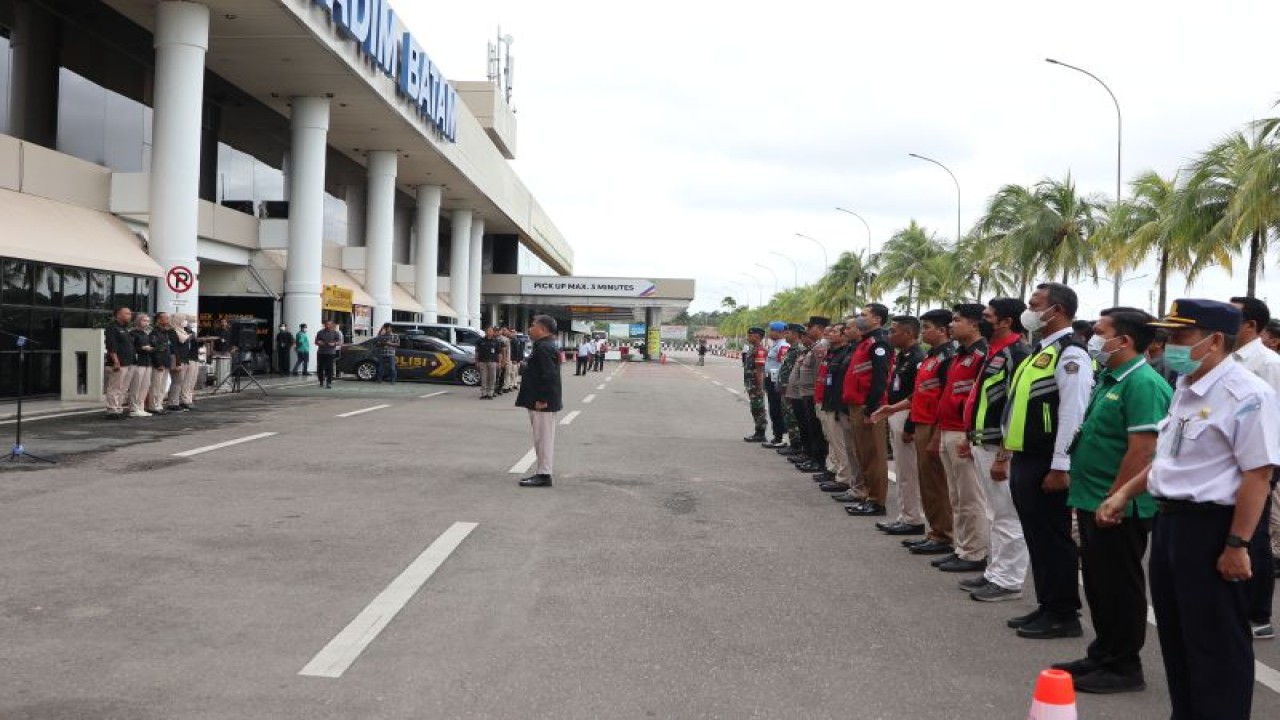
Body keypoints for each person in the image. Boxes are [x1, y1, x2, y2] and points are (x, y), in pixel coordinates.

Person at [1099, 299, 1279, 720]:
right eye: (1170, 335)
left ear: (1214, 340)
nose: (1170, 344)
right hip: (1171, 524)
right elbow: (1170, 458)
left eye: (1181, 335)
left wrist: (1237, 544)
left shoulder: (1248, 394)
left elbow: (1257, 475)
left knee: (1216, 644)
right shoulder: (1187, 385)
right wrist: (1124, 493)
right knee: (1178, 637)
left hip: (1213, 528)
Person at [1052, 307, 1171, 694]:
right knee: (1100, 584)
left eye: (1100, 332)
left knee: (1119, 586)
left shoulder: (1144, 384)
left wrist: (1115, 497)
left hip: (1117, 504)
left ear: (1124, 341)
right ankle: (1103, 654)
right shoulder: (1111, 378)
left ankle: (1123, 666)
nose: (1091, 339)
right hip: (1093, 498)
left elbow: (1143, 450)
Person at [1003, 282, 1093, 639]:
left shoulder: (1071, 353)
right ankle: (1047, 603)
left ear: (1057, 310)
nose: (1029, 310)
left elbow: (1073, 412)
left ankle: (1064, 614)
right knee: (1036, 536)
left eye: (1035, 304)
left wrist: (1060, 465)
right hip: (1027, 455)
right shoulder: (1041, 350)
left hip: (1046, 460)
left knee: (1053, 538)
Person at [961, 298, 1031, 602]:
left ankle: (1009, 580)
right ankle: (996, 572)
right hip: (983, 441)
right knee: (996, 513)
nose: (982, 322)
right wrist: (970, 436)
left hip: (1000, 446)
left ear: (1005, 322)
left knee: (1008, 515)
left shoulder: (1017, 353)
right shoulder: (996, 351)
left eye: (988, 317)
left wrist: (1004, 454)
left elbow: (1016, 408)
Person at [1229, 296, 1280, 640]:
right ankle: (1235, 604)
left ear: (1251, 325)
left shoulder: (1269, 363)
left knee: (1254, 533)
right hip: (1230, 460)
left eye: (1231, 315)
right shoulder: (1227, 358)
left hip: (1259, 460)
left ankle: (1258, 614)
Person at [929, 304, 989, 571]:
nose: (951, 325)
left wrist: (969, 433)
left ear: (974, 324)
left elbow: (980, 399)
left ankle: (975, 552)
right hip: (948, 429)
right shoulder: (958, 355)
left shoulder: (982, 354)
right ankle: (961, 547)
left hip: (963, 432)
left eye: (957, 320)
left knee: (970, 497)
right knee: (956, 496)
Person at [903, 309, 957, 557]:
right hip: (922, 420)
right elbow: (921, 392)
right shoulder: (931, 356)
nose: (923, 332)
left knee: (936, 481)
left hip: (934, 423)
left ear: (942, 331)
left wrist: (937, 433)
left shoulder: (948, 357)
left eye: (927, 327)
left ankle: (943, 533)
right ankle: (935, 530)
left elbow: (945, 396)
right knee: (928, 481)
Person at [870, 315, 925, 533]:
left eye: (893, 331)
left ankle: (913, 518)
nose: (889, 335)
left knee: (908, 472)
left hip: (906, 415)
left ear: (908, 333)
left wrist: (910, 425)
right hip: (896, 412)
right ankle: (905, 515)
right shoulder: (904, 356)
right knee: (902, 471)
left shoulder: (917, 358)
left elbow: (918, 395)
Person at [843, 304, 894, 517]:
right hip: (857, 405)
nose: (859, 318)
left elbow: (880, 379)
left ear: (877, 320)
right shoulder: (864, 342)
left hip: (869, 406)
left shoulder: (879, 343)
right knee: (864, 454)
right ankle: (867, 495)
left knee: (874, 456)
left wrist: (871, 408)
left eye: (864, 315)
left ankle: (876, 500)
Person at [515, 315, 563, 488]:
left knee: (543, 439)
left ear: (542, 329)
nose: (530, 329)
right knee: (541, 438)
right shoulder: (544, 345)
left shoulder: (544, 347)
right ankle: (543, 472)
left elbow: (549, 376)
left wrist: (542, 399)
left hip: (542, 402)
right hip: (540, 400)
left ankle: (544, 474)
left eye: (533, 325)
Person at [816, 322, 855, 493]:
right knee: (833, 440)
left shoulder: (846, 354)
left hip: (837, 404)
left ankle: (844, 478)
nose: (830, 334)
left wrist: (840, 406)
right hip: (828, 401)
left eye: (835, 332)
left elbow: (842, 384)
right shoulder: (834, 353)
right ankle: (836, 471)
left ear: (844, 336)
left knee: (841, 444)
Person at [791, 317, 830, 473]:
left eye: (810, 327)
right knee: (811, 428)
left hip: (813, 393)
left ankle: (818, 460)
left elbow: (820, 374)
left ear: (819, 328)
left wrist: (817, 395)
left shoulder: (821, 347)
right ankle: (813, 457)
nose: (807, 331)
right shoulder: (815, 346)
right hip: (807, 393)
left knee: (816, 429)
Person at [762, 322, 791, 448]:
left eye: (772, 330)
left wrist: (780, 383)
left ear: (780, 332)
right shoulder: (776, 345)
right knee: (773, 408)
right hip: (771, 379)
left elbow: (782, 366)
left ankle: (780, 437)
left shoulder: (783, 346)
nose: (769, 333)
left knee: (777, 409)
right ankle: (777, 435)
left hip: (777, 381)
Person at [103, 307, 135, 419]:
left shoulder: (124, 328)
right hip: (118, 363)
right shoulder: (112, 328)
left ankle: (118, 409)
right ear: (118, 315)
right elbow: (111, 346)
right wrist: (116, 361)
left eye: (130, 314)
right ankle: (112, 410)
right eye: (127, 314)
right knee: (115, 387)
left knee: (123, 388)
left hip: (127, 362)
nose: (129, 316)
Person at [741, 327, 769, 442]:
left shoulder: (760, 350)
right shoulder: (753, 349)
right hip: (751, 384)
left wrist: (760, 387)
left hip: (756, 385)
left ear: (757, 337)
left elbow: (760, 370)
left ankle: (760, 433)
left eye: (750, 335)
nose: (748, 337)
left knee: (758, 408)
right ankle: (758, 431)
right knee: (755, 408)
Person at [127, 313, 156, 417]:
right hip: (138, 362)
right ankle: (133, 408)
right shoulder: (132, 333)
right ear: (138, 321)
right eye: (144, 320)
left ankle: (140, 406)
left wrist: (152, 348)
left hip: (147, 362)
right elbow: (130, 347)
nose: (147, 323)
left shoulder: (146, 334)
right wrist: (141, 348)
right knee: (136, 386)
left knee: (145, 386)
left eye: (148, 321)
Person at [165, 313, 196, 412]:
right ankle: (172, 403)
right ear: (177, 320)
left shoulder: (183, 331)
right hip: (178, 359)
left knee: (180, 382)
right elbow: (174, 349)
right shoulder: (172, 331)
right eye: (183, 320)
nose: (185, 322)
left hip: (185, 359)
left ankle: (176, 401)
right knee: (176, 382)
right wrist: (177, 362)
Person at [146, 312, 174, 416]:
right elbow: (155, 350)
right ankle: (153, 406)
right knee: (156, 386)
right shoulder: (154, 333)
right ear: (158, 320)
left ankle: (159, 405)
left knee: (163, 386)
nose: (168, 320)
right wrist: (158, 363)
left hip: (166, 362)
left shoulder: (165, 332)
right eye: (166, 318)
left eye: (168, 318)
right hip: (158, 363)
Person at [314, 320, 343, 389]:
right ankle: (321, 381)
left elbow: (340, 342)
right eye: (326, 324)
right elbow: (316, 341)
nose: (328, 326)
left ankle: (329, 383)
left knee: (329, 368)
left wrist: (334, 343)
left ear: (332, 325)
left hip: (330, 353)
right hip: (321, 352)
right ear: (324, 325)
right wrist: (319, 342)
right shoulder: (320, 332)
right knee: (320, 368)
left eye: (329, 324)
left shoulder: (335, 333)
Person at [476, 327, 501, 399]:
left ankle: (490, 393)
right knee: (483, 378)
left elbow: (499, 353)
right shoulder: (480, 340)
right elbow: (477, 352)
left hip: (493, 361)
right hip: (483, 361)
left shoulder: (496, 341)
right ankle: (484, 393)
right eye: (487, 330)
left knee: (492, 378)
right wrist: (477, 361)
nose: (489, 332)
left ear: (493, 332)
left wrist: (499, 362)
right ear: (485, 332)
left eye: (490, 331)